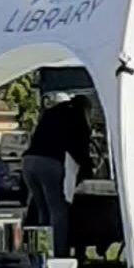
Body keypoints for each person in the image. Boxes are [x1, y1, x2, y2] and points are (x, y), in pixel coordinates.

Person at [19, 96, 90, 237]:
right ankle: (58, 253)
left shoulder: (52, 112)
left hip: (28, 161)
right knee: (58, 210)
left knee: (41, 209)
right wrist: (87, 170)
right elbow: (80, 148)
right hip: (49, 162)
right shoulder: (77, 115)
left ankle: (41, 249)